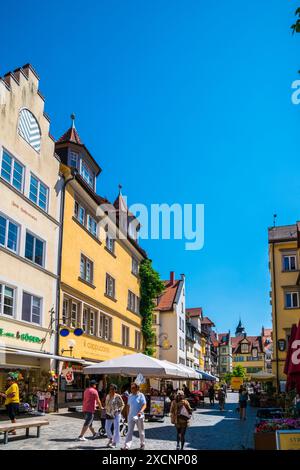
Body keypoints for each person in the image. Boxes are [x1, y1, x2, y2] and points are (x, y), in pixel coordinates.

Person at [122, 382, 147, 450]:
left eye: (133, 388)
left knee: (141, 431)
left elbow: (144, 405)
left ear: (137, 388)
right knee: (129, 431)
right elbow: (128, 406)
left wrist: (141, 411)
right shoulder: (130, 396)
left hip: (139, 416)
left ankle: (142, 444)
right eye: (131, 388)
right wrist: (127, 415)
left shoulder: (141, 395)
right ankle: (127, 446)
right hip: (131, 416)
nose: (131, 389)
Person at [105, 384, 125, 448]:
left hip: (116, 414)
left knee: (116, 429)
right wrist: (104, 408)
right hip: (109, 413)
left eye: (113, 389)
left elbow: (122, 404)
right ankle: (111, 438)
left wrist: (119, 410)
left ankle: (114, 443)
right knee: (107, 428)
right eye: (110, 389)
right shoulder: (108, 396)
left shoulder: (118, 396)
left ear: (115, 390)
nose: (111, 390)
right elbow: (106, 404)